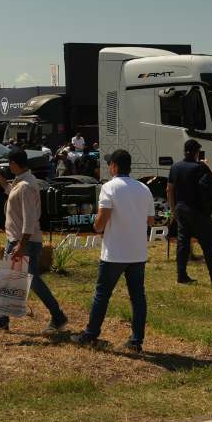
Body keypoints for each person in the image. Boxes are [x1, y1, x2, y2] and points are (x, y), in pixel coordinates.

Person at [72, 149, 153, 352]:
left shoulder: (109, 188)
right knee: (138, 296)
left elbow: (100, 223)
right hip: (137, 252)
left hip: (115, 252)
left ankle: (91, 334)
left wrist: (95, 224)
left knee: (102, 294)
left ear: (115, 166)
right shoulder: (144, 188)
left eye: (110, 164)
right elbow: (151, 220)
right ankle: (136, 340)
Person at [0, 149, 68, 332]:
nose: (8, 166)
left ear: (15, 163)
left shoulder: (26, 185)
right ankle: (2, 319)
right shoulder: (22, 181)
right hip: (19, 240)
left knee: (31, 281)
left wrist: (21, 245)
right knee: (10, 279)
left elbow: (29, 219)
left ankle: (58, 317)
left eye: (9, 163)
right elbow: (11, 192)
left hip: (23, 241)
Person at [166, 140, 212, 286]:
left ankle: (181, 276)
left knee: (183, 243)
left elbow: (169, 189)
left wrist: (172, 209)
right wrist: (206, 165)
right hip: (199, 211)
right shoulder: (200, 167)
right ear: (196, 152)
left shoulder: (175, 167)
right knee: (208, 245)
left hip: (181, 209)